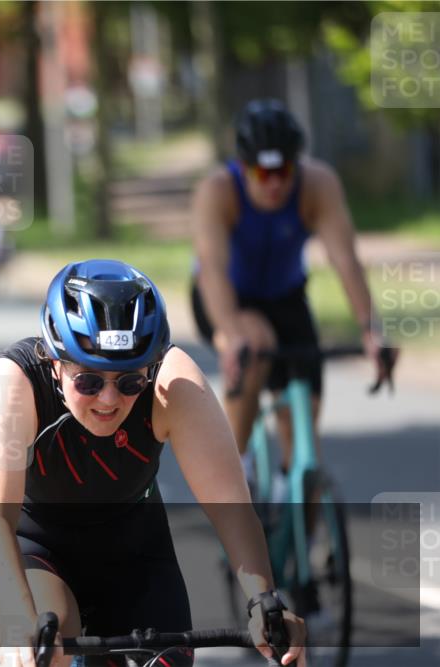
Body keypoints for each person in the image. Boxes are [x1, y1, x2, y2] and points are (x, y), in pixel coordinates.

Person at [0, 260, 306, 667]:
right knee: (50, 631)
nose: (109, 399)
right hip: (24, 546)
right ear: (54, 362)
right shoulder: (13, 383)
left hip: (131, 549)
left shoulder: (175, 384)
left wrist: (265, 601)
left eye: (130, 381)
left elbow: (231, 507)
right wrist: (14, 616)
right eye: (88, 381)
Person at [190, 99, 394, 481]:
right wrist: (231, 335)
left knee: (303, 434)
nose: (274, 184)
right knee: (255, 341)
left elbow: (345, 260)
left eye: (283, 171)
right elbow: (213, 271)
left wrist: (371, 330)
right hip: (225, 298)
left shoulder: (317, 185)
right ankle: (237, 465)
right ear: (243, 166)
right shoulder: (218, 191)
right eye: (261, 172)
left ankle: (301, 514)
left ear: (296, 164)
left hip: (285, 297)